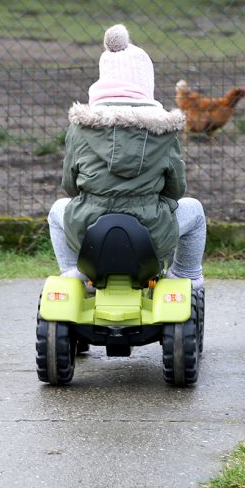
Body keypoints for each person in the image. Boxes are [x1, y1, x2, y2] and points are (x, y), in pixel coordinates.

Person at [47, 23, 206, 294]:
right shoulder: (163, 129)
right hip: (151, 234)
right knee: (195, 210)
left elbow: (70, 186)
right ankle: (186, 276)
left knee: (57, 210)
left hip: (89, 231)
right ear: (146, 82)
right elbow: (176, 189)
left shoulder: (81, 126)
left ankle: (75, 273)